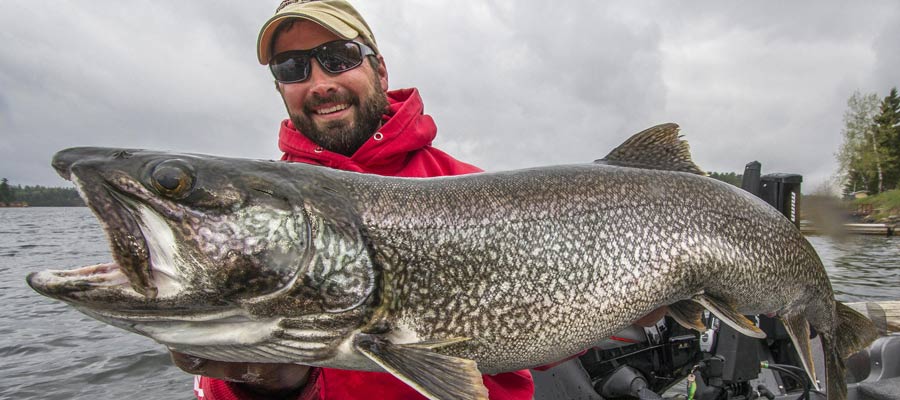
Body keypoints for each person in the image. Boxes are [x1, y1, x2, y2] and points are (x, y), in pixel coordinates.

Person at [170, 0, 535, 399]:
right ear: (280, 88)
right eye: (292, 67)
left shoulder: (473, 191)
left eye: (338, 57)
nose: (321, 83)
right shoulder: (252, 217)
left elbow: (551, 350)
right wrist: (271, 387)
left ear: (378, 69)